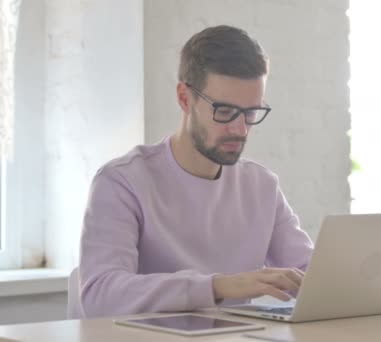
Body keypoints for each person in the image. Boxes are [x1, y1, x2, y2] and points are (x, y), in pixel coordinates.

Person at [78, 25, 314, 318]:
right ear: (184, 98)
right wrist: (218, 286)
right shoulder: (122, 182)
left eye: (251, 113)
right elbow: (101, 295)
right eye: (225, 111)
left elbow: (313, 276)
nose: (239, 129)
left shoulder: (261, 185)